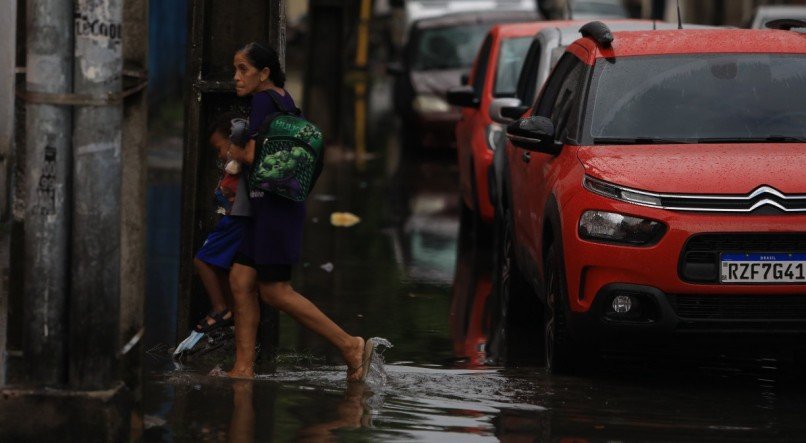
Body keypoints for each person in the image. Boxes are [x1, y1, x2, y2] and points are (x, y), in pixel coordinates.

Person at [225, 42, 374, 381]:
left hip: (274, 210)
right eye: (235, 69)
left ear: (264, 73)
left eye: (243, 69)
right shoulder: (284, 99)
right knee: (240, 278)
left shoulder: (263, 101)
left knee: (275, 291)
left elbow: (250, 155)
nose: (236, 77)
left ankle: (349, 344)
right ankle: (242, 369)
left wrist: (230, 148)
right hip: (273, 207)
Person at [174, 112, 247, 355]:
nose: (219, 154)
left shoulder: (243, 166)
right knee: (222, 267)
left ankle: (220, 309)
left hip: (234, 222)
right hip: (232, 221)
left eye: (220, 148)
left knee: (202, 260)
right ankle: (231, 313)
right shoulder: (236, 169)